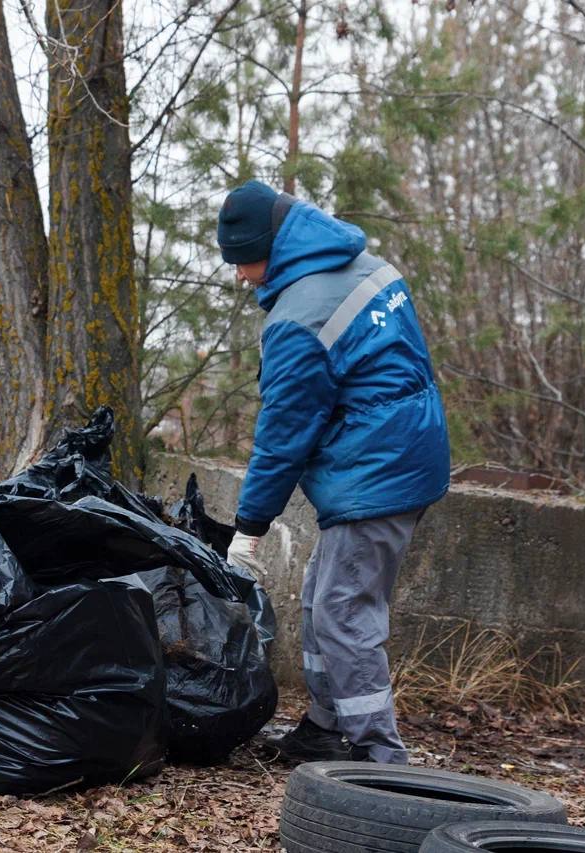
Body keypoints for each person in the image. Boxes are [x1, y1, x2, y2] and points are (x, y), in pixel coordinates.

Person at [216, 179, 450, 765]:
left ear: (266, 247)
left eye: (242, 263)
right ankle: (327, 724)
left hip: (377, 473)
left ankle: (380, 759)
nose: (242, 277)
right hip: (403, 451)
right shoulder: (363, 264)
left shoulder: (298, 319)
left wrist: (250, 525)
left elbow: (283, 435)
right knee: (323, 599)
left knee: (344, 611)